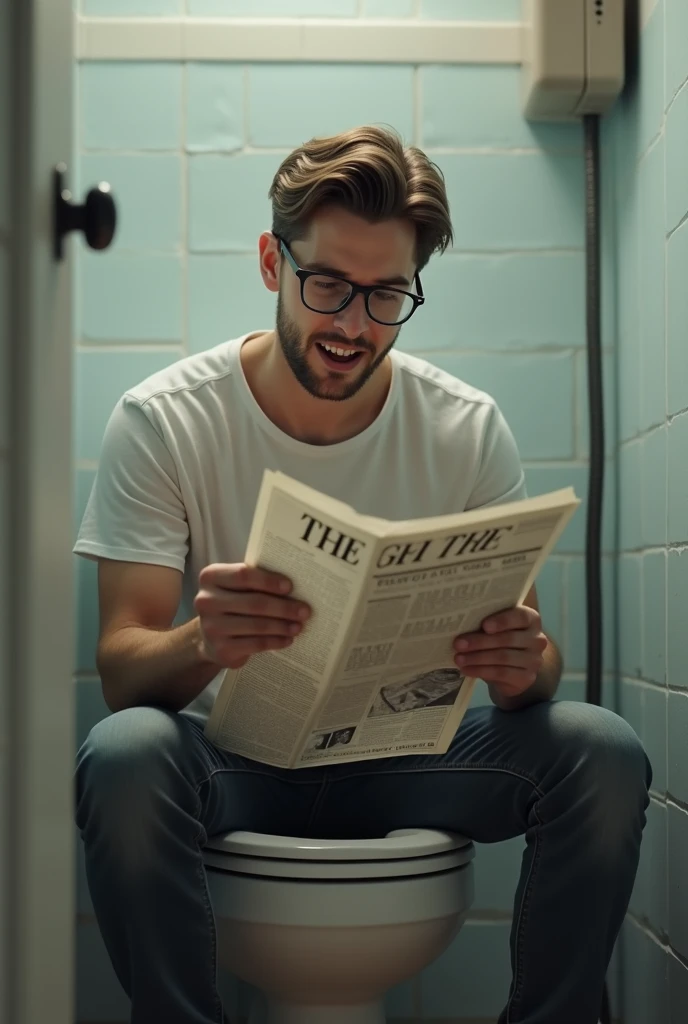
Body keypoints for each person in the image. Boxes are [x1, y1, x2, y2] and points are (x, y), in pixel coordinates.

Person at [74, 125, 651, 1024]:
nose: (352, 325)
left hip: (410, 756)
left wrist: (522, 661)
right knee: (122, 756)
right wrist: (204, 640)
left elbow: (533, 678)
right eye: (329, 285)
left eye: (387, 296)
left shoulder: (465, 427)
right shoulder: (162, 421)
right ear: (273, 262)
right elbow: (120, 668)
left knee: (603, 751)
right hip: (231, 764)